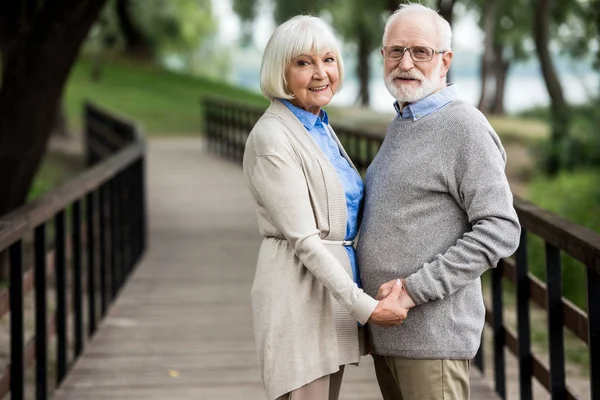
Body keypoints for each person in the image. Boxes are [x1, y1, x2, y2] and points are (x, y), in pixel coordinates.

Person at [356, 4, 522, 399]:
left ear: (445, 61)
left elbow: (501, 229)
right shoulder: (403, 122)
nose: (405, 62)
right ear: (382, 57)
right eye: (395, 51)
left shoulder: (463, 126)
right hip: (390, 336)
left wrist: (413, 290)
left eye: (420, 51)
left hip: (433, 342)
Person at [242, 15, 409, 400]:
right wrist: (365, 308)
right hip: (297, 296)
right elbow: (305, 240)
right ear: (280, 72)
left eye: (328, 60)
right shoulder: (272, 137)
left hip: (328, 298)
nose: (321, 73)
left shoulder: (317, 126)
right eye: (303, 63)